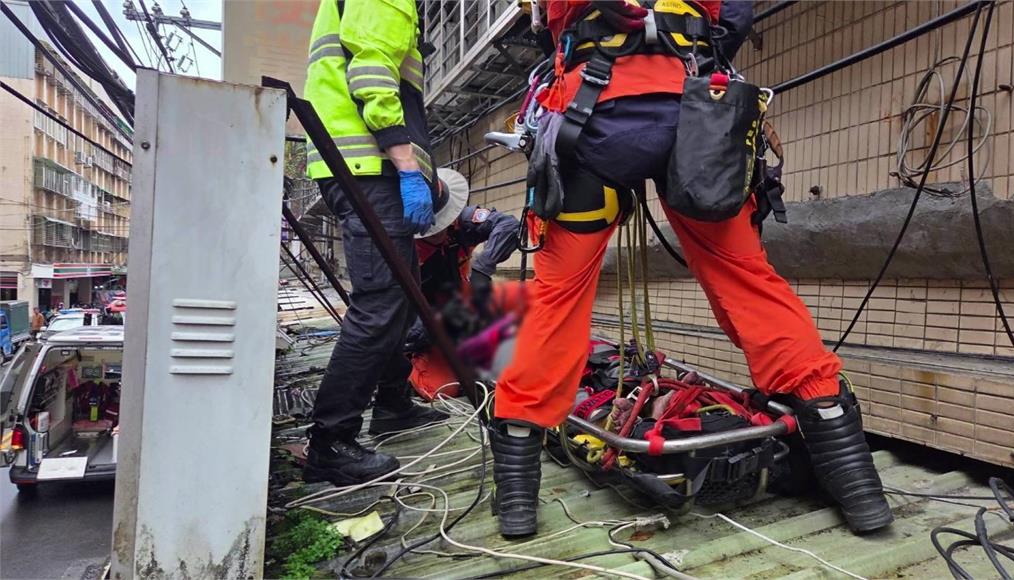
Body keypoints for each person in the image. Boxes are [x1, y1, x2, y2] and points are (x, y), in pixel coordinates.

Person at [489, 0, 892, 538]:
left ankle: (517, 505)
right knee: (747, 281)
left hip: (590, 118)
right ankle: (860, 491)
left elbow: (546, 26)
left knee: (556, 302)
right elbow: (737, 18)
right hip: (696, 115)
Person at [302, 0, 447, 486]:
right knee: (382, 301)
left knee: (401, 295)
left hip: (364, 166)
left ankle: (391, 403)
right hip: (369, 167)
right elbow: (370, 72)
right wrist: (407, 165)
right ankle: (330, 442)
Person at [404, 168, 520, 400]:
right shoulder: (402, 249)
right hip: (424, 325)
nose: (438, 234)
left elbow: (508, 226)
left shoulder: (463, 222)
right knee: (442, 388)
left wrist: (483, 267)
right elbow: (396, 319)